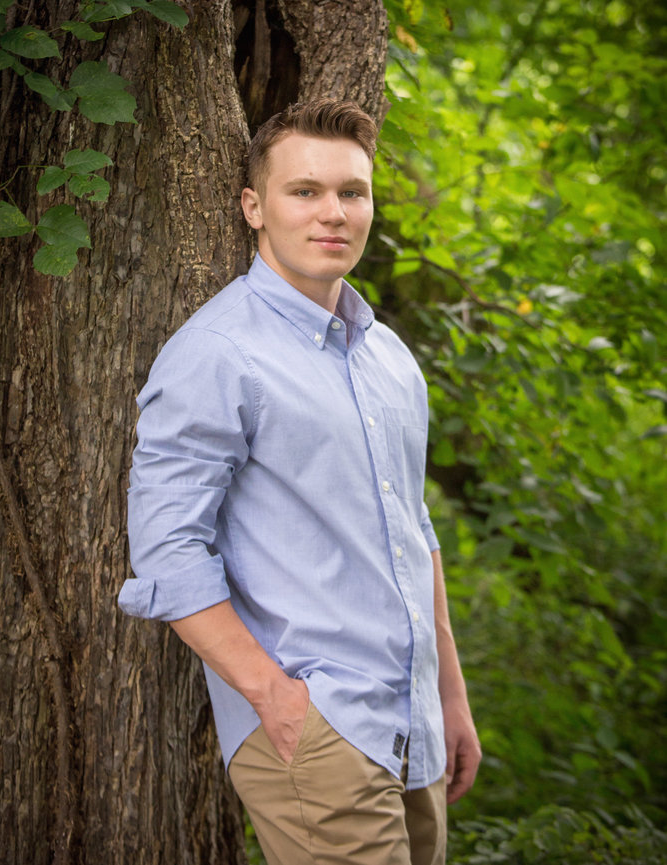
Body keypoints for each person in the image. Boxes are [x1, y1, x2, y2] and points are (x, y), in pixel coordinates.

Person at [118, 98, 480, 865]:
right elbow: (167, 552)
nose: (334, 212)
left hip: (410, 723)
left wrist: (449, 692)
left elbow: (412, 527)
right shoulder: (218, 353)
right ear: (255, 206)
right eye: (305, 191)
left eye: (353, 192)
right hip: (316, 731)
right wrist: (274, 697)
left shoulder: (388, 358)